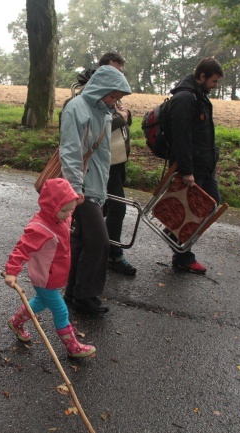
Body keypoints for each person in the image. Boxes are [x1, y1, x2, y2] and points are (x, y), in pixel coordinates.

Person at [60, 65, 131, 314]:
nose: (114, 101)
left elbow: (103, 153)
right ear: (101, 88)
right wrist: (75, 189)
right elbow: (69, 151)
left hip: (94, 184)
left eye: (117, 98)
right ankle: (86, 296)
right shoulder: (77, 108)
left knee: (81, 240)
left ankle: (73, 292)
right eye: (112, 95)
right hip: (81, 187)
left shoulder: (104, 111)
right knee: (100, 241)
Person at [4, 178, 95, 358]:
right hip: (44, 279)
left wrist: (76, 202)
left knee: (41, 302)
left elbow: (68, 209)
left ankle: (16, 322)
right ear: (52, 207)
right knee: (61, 310)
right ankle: (73, 347)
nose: (69, 214)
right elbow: (22, 249)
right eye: (65, 210)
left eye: (71, 209)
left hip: (54, 276)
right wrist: (12, 271)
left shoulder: (62, 217)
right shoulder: (39, 228)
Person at [167, 57, 224, 274]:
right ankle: (183, 256)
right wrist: (187, 171)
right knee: (193, 211)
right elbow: (182, 137)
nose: (215, 86)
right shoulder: (184, 98)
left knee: (211, 203)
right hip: (194, 167)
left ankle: (173, 232)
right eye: (214, 81)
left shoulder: (198, 96)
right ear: (202, 76)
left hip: (205, 166)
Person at [98, 53, 137, 276]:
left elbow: (121, 117)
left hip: (116, 162)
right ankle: (113, 254)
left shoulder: (114, 94)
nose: (119, 77)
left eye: (121, 72)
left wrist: (125, 114)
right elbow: (97, 125)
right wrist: (122, 117)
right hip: (103, 163)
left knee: (104, 207)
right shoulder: (92, 94)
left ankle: (97, 248)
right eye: (115, 71)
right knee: (115, 207)